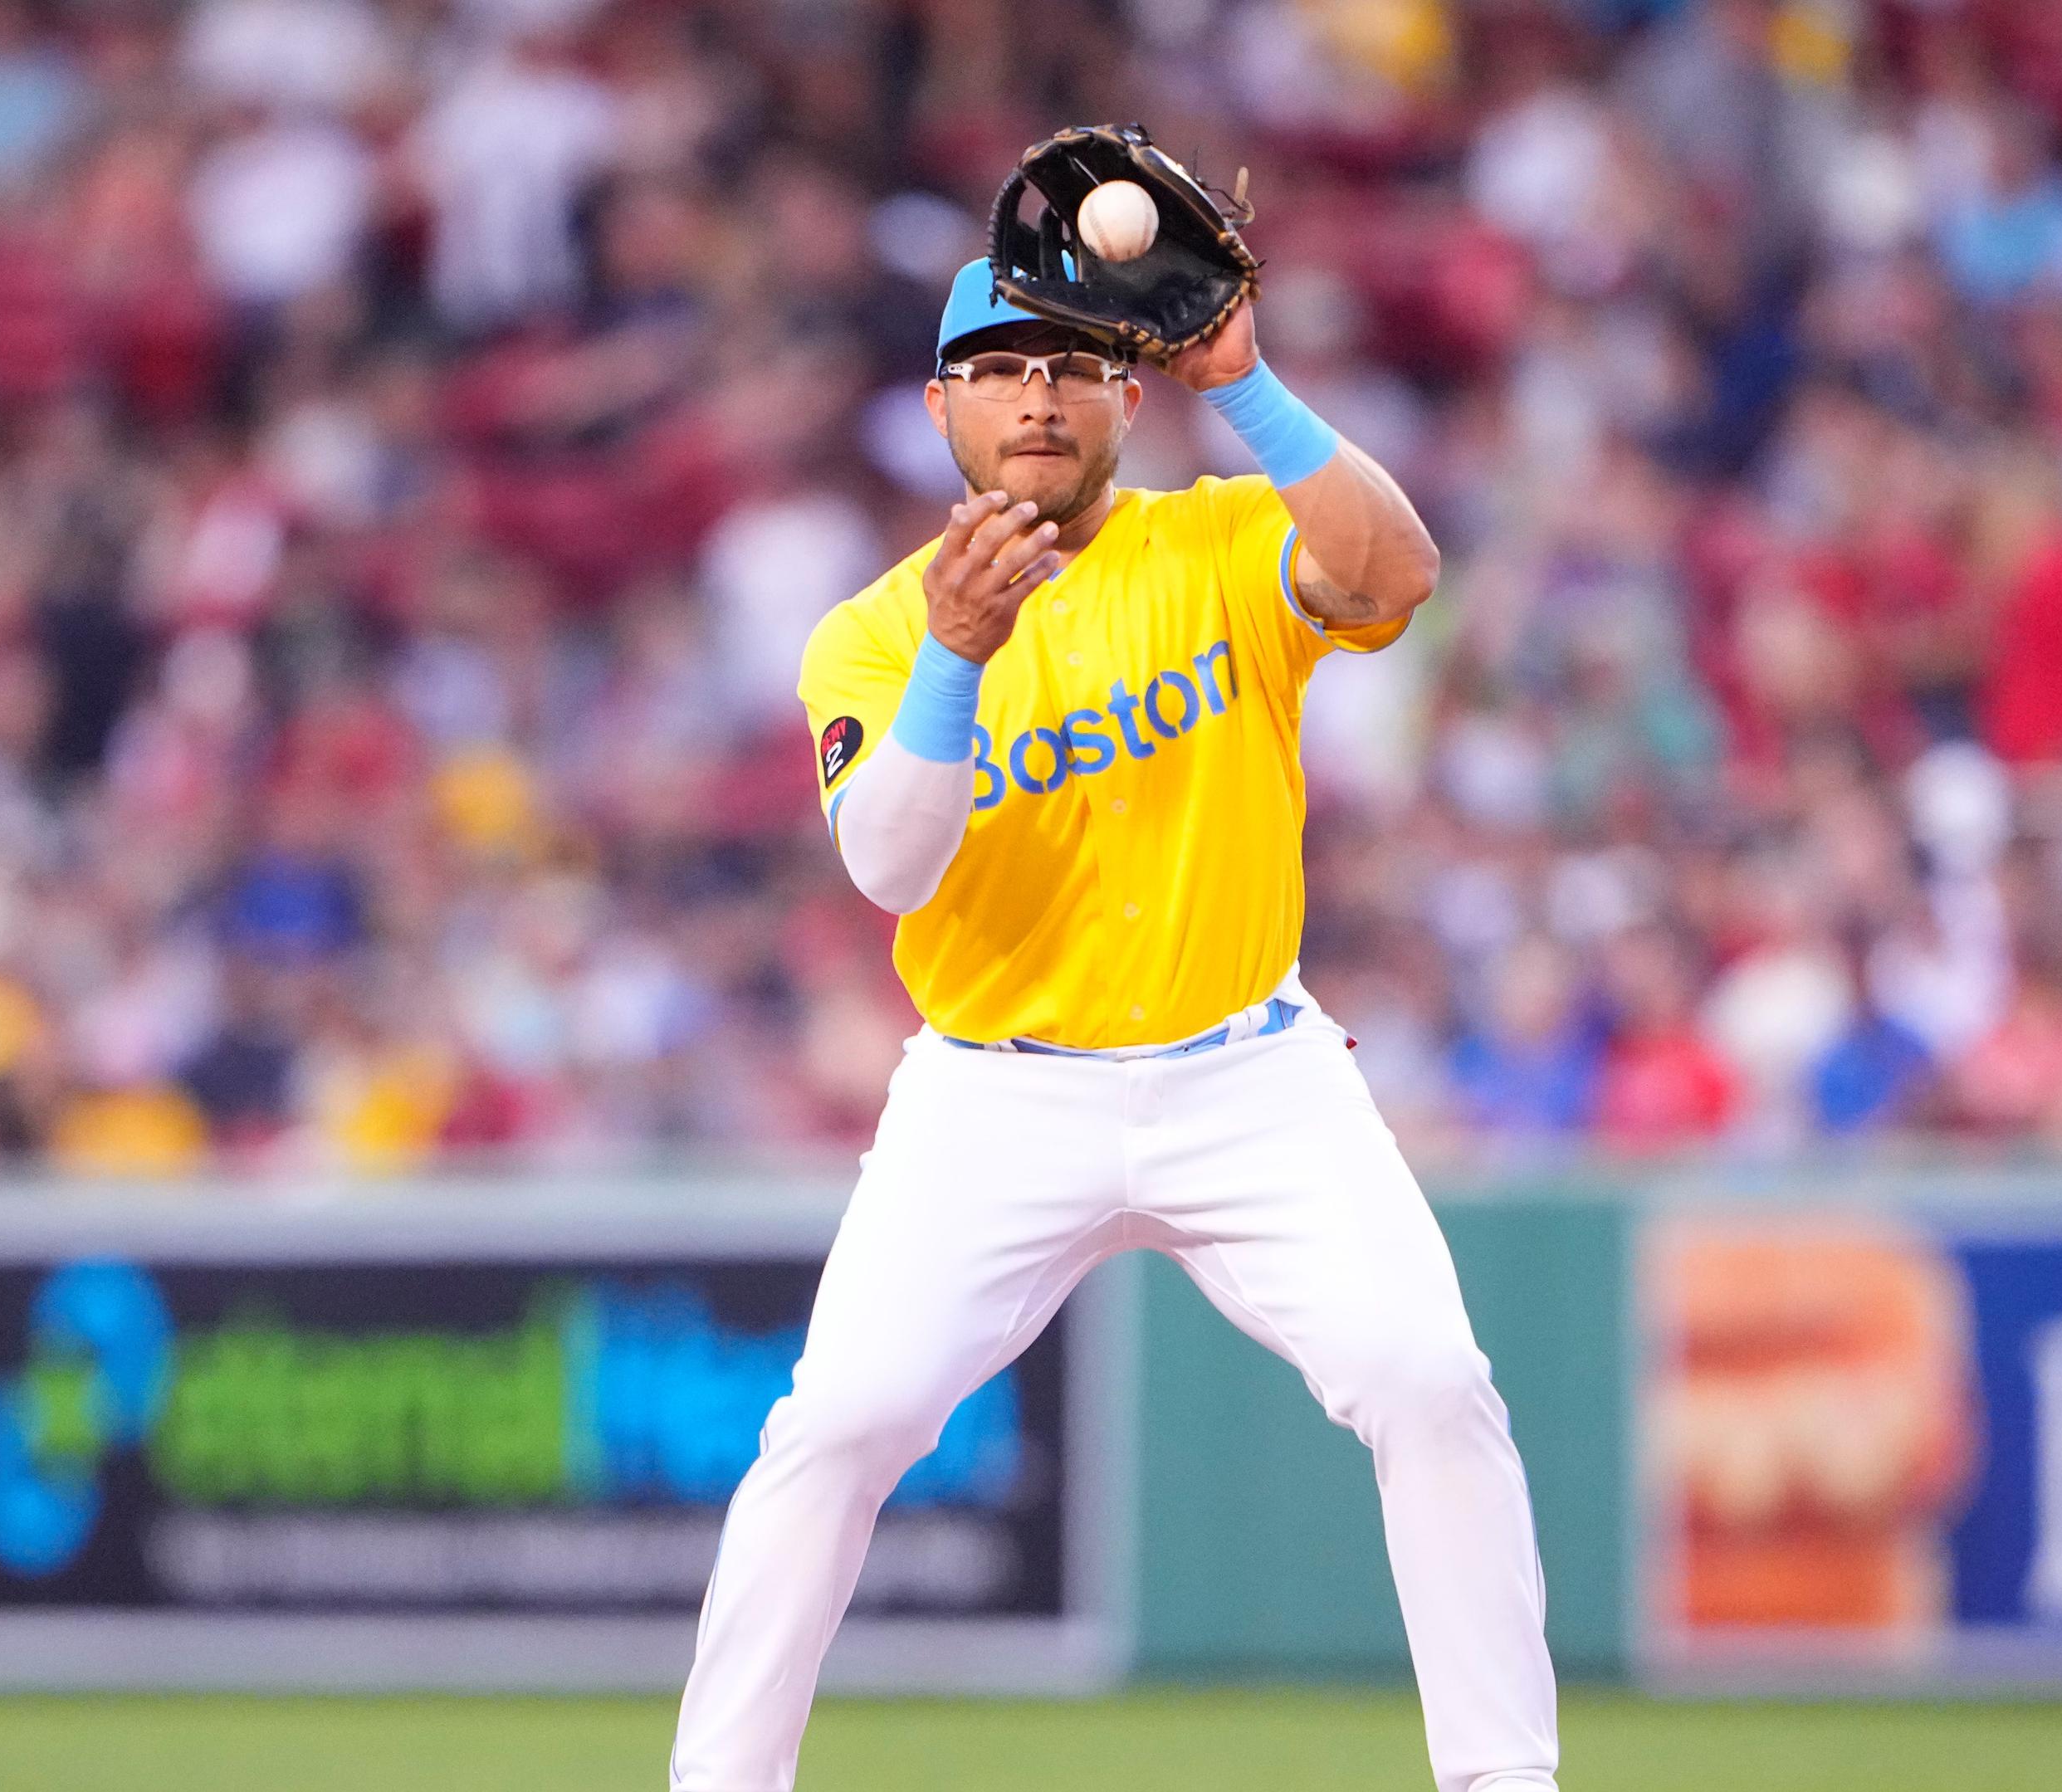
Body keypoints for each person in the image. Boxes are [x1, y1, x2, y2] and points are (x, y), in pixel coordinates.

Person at [667, 257, 1561, 1792]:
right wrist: (955, 658)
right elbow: (891, 868)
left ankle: (1506, 1782)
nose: (1036, 394)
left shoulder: (1217, 536)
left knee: (1428, 1379)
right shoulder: (876, 637)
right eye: (999, 370)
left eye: (1069, 367)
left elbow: (1398, 575)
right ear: (941, 405)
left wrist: (1248, 390)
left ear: (1123, 398)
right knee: (836, 1434)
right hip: (993, 1096)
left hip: (1249, 1072)